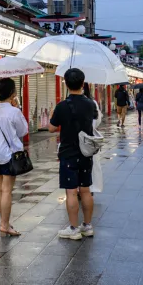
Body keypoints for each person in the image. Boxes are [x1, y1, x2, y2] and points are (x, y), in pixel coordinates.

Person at [48, 68, 98, 240]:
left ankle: (74, 228)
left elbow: (52, 128)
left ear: (66, 84)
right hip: (86, 153)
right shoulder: (91, 104)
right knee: (86, 190)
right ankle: (88, 226)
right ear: (83, 83)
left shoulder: (62, 106)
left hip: (68, 153)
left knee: (71, 192)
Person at [0, 78, 28, 237]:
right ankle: (5, 224)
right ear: (12, 93)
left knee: (0, 188)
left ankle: (3, 221)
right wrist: (17, 108)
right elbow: (23, 131)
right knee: (7, 191)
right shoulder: (14, 111)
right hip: (9, 154)